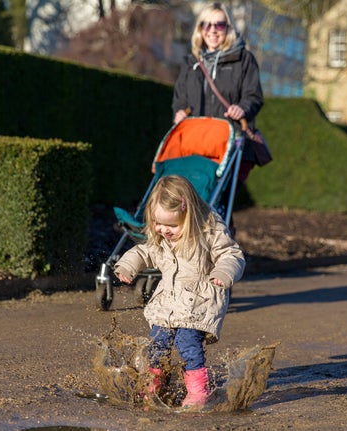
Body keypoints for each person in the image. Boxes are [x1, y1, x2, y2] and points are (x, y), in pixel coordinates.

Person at [114, 175, 245, 410]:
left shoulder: (208, 229)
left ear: (189, 214)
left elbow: (230, 254)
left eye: (172, 225)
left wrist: (224, 272)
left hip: (200, 299)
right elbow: (144, 251)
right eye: (158, 223)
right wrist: (127, 266)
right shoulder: (162, 236)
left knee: (187, 342)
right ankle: (156, 384)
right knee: (157, 343)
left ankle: (198, 391)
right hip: (169, 301)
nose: (164, 230)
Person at [172, 2, 264, 185]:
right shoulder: (191, 63)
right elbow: (180, 98)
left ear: (228, 28)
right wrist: (180, 112)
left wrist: (242, 108)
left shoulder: (243, 60)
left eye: (219, 25)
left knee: (217, 195)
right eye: (206, 24)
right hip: (195, 142)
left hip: (229, 141)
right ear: (200, 29)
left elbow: (253, 95)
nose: (212, 30)